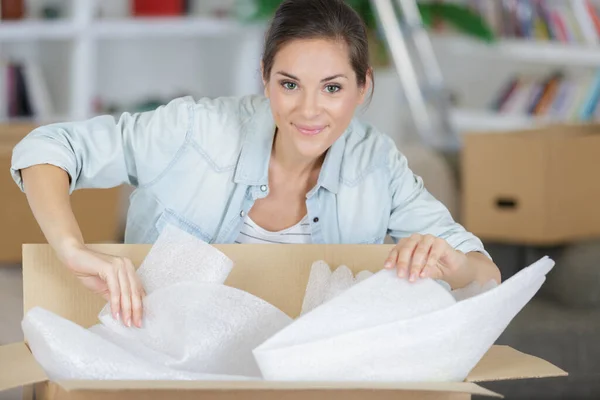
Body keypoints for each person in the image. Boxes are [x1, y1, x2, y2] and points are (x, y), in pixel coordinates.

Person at [10, 0, 500, 329]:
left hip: (308, 375)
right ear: (265, 78)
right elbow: (49, 147)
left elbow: (485, 275)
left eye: (332, 87)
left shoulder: (378, 164)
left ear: (363, 87)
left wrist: (447, 260)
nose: (309, 110)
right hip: (169, 355)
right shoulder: (195, 130)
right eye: (290, 84)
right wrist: (72, 248)